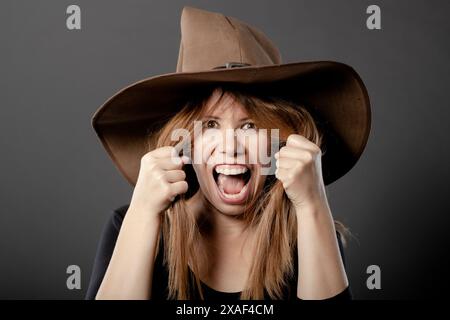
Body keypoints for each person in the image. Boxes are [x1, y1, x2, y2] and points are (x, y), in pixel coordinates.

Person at [87, 6, 371, 300]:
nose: (231, 146)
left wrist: (314, 205)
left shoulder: (311, 232)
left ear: (281, 143)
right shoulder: (128, 225)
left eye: (251, 125)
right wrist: (142, 213)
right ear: (187, 143)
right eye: (210, 124)